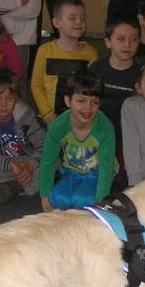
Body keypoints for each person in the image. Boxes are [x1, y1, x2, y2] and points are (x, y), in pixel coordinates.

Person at [39, 70, 115, 211]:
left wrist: (100, 203)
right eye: (81, 101)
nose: (88, 108)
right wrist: (44, 196)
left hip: (97, 174)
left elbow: (106, 168)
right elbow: (47, 161)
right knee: (57, 198)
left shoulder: (105, 128)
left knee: (82, 200)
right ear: (68, 101)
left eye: (94, 102)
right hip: (72, 172)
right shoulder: (58, 126)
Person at [0, 68, 45, 203]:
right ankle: (27, 185)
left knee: (53, 162)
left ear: (16, 98)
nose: (3, 105)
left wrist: (31, 165)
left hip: (27, 160)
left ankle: (16, 186)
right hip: (3, 164)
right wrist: (11, 165)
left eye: (9, 98)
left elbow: (44, 143)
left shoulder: (25, 115)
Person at [29, 0, 98, 124]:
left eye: (82, 18)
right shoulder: (44, 50)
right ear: (57, 23)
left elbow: (93, 89)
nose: (79, 22)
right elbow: (36, 86)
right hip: (49, 118)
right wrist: (47, 114)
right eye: (72, 18)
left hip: (80, 119)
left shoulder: (90, 53)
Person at [91, 15, 140, 182]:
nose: (127, 44)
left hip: (128, 139)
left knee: (122, 181)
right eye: (121, 39)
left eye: (133, 39)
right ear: (108, 42)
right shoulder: (97, 69)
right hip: (98, 134)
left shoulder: (142, 74)